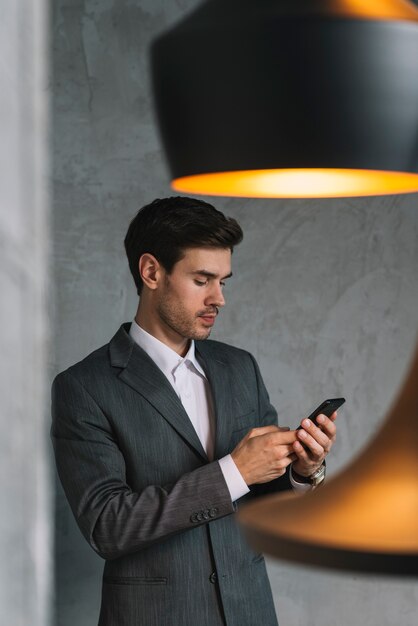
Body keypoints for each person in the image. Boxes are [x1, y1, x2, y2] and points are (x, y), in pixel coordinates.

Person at [51, 196, 337, 626]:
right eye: (202, 279)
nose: (219, 298)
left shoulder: (240, 367)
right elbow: (106, 526)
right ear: (151, 272)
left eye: (224, 281)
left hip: (251, 613)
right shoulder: (84, 388)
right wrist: (234, 471)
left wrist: (302, 472)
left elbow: (264, 503)